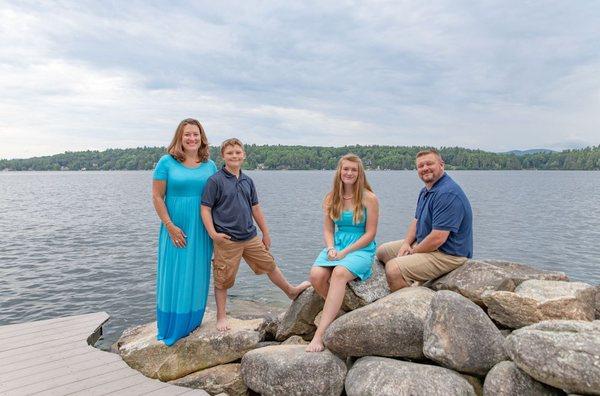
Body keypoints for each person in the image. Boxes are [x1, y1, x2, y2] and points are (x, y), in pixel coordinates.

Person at [200, 138, 310, 331]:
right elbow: (205, 209)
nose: (234, 156)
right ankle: (221, 316)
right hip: (227, 240)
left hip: (250, 237)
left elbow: (255, 209)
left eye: (238, 152)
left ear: (244, 155)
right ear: (223, 156)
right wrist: (213, 234)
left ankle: (290, 291)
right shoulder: (215, 181)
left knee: (270, 264)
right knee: (222, 278)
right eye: (230, 153)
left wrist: (265, 233)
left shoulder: (247, 181)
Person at [151, 118, 217, 346]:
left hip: (202, 228)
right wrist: (169, 226)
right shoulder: (166, 162)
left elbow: (218, 199)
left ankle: (192, 322)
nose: (192, 138)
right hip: (175, 227)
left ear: (202, 138)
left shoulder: (210, 165)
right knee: (175, 272)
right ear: (180, 137)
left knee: (197, 272)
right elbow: (157, 197)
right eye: (187, 134)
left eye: (196, 135)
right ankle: (171, 324)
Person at [306, 154, 379, 352]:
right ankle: (336, 312)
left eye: (353, 170)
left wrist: (346, 252)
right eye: (345, 169)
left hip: (361, 247)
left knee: (338, 273)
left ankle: (319, 335)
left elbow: (370, 234)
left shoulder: (369, 198)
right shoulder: (332, 198)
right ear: (339, 171)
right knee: (316, 275)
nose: (349, 173)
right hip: (337, 244)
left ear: (359, 173)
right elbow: (328, 230)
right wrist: (331, 248)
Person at [378, 148, 473, 291]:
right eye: (420, 166)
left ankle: (412, 304)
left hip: (448, 253)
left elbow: (438, 238)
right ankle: (410, 285)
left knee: (393, 269)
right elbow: (417, 221)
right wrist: (406, 244)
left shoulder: (447, 193)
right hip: (427, 244)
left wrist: (412, 253)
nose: (425, 168)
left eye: (429, 164)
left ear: (441, 165)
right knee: (383, 251)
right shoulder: (426, 191)